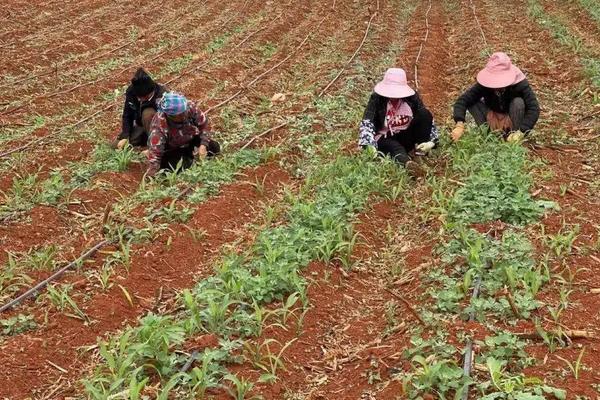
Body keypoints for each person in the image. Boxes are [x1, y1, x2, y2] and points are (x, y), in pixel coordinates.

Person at [358, 68, 439, 175]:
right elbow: (367, 122)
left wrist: (432, 142)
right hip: (385, 137)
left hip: (405, 134)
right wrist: (369, 145)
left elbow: (427, 120)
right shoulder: (377, 98)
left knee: (425, 114)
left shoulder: (412, 97)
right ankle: (408, 164)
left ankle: (419, 153)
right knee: (394, 147)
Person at [451, 52, 540, 142]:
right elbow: (462, 100)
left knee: (518, 102)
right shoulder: (484, 84)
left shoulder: (520, 84)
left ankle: (514, 138)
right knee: (472, 102)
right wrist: (459, 124)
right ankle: (488, 136)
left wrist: (521, 132)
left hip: (512, 117)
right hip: (492, 116)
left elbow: (534, 108)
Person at [146, 92, 220, 177]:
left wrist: (203, 145)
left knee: (214, 147)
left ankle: (192, 155)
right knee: (176, 167)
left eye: (184, 112)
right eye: (180, 115)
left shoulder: (188, 107)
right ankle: (189, 158)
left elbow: (204, 124)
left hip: (190, 139)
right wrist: (151, 176)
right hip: (173, 149)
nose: (184, 115)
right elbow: (156, 155)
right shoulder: (159, 128)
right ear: (170, 116)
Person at [113, 68, 167, 150]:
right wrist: (125, 135)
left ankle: (154, 147)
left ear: (150, 94)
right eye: (137, 97)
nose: (138, 100)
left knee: (147, 113)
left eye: (142, 97)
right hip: (140, 125)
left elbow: (169, 123)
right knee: (117, 145)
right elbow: (127, 115)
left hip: (159, 129)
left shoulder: (162, 96)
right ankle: (143, 143)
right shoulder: (131, 92)